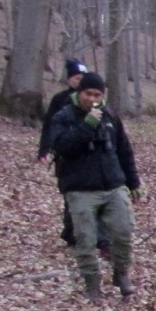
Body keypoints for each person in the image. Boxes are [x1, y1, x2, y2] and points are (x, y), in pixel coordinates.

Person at [45, 72, 143, 301]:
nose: (92, 99)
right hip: (80, 188)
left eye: (97, 94)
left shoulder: (110, 115)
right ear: (80, 93)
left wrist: (133, 182)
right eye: (88, 94)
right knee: (86, 239)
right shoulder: (64, 116)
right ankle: (92, 284)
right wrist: (87, 125)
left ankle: (121, 273)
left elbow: (124, 151)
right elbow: (61, 146)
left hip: (112, 185)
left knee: (124, 230)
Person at [39, 58, 107, 253]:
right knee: (71, 198)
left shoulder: (96, 105)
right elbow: (49, 127)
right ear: (69, 79)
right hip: (66, 158)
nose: (79, 81)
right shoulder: (60, 101)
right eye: (76, 78)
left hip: (91, 158)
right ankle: (71, 233)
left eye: (81, 78)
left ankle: (100, 239)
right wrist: (43, 150)